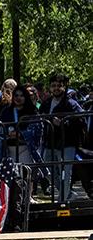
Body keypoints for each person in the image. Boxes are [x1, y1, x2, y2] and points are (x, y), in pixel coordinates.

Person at [40, 72, 83, 202]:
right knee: (47, 170)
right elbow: (39, 114)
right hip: (49, 142)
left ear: (64, 87)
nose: (56, 88)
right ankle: (68, 193)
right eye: (53, 85)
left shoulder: (71, 103)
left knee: (66, 172)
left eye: (60, 85)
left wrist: (64, 123)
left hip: (67, 143)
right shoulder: (47, 103)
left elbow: (81, 120)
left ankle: (62, 201)